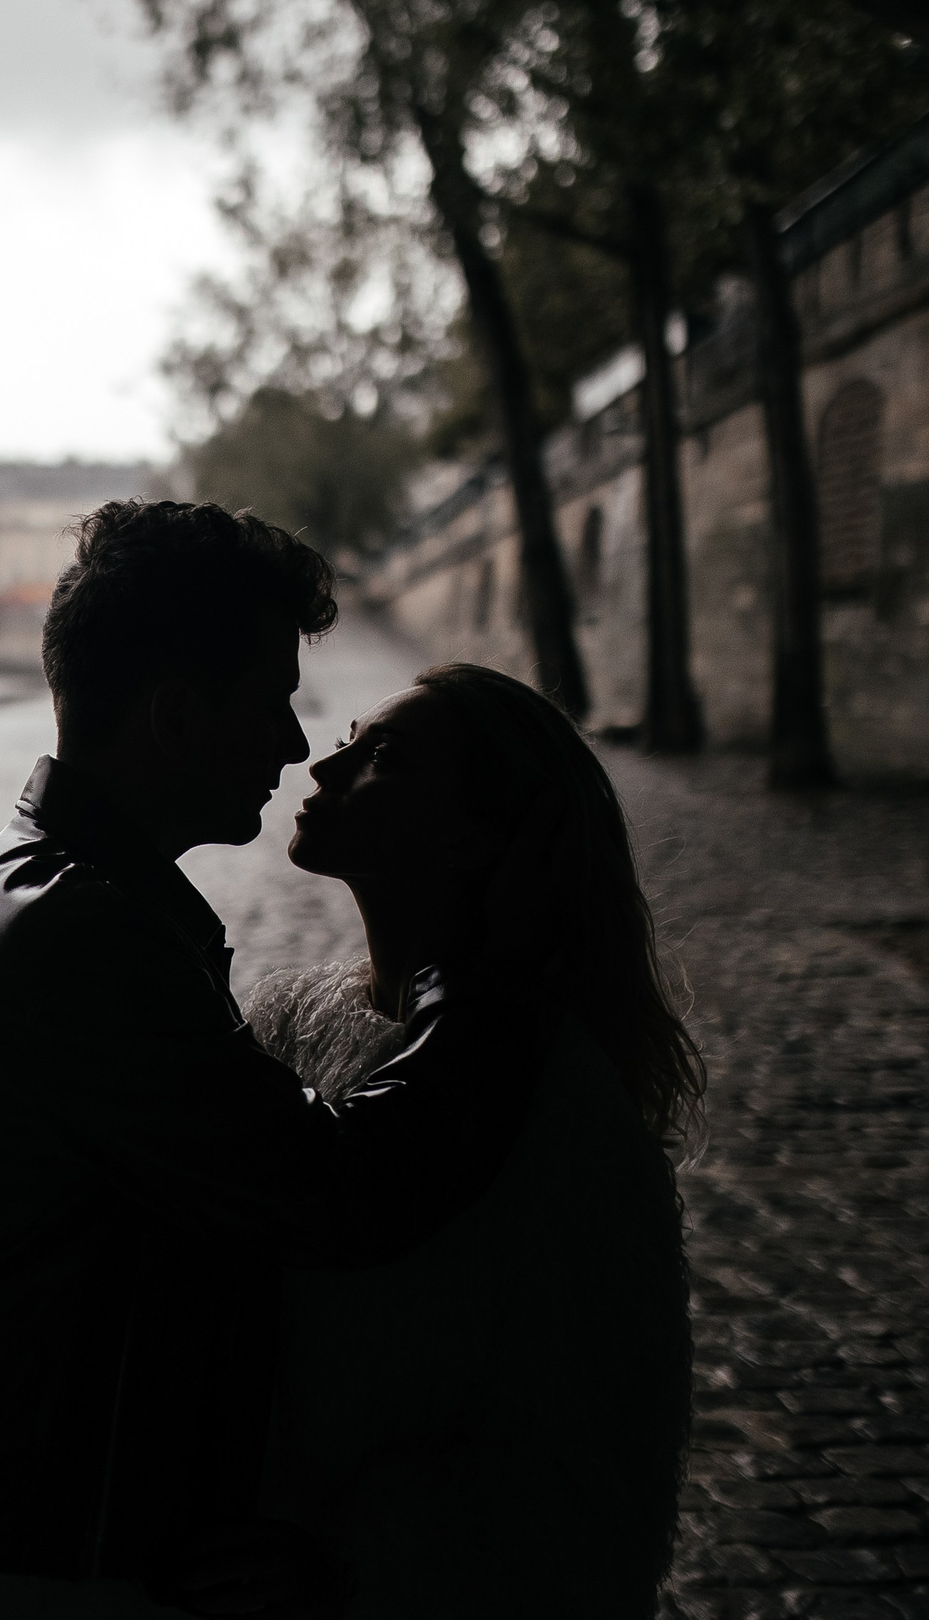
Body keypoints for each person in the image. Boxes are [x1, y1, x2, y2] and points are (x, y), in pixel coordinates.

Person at [0, 503, 549, 1619]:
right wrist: (472, 990)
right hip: (23, 1553)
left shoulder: (62, 894)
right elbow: (330, 1192)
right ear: (174, 715)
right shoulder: (87, 931)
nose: (294, 747)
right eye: (271, 702)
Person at [242, 663, 702, 1617]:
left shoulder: (562, 1109)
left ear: (477, 833)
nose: (325, 766)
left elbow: (591, 1452)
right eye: (351, 740)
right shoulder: (286, 1017)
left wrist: (343, 1564)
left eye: (383, 756)